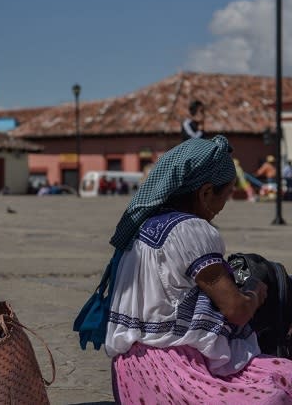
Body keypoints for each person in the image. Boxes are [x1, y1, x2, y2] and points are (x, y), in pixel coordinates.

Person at [105, 135, 292, 403]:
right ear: (205, 193)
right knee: (280, 385)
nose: (222, 207)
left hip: (131, 374)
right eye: (226, 195)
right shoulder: (192, 230)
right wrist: (254, 291)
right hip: (175, 371)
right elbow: (236, 310)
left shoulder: (141, 227)